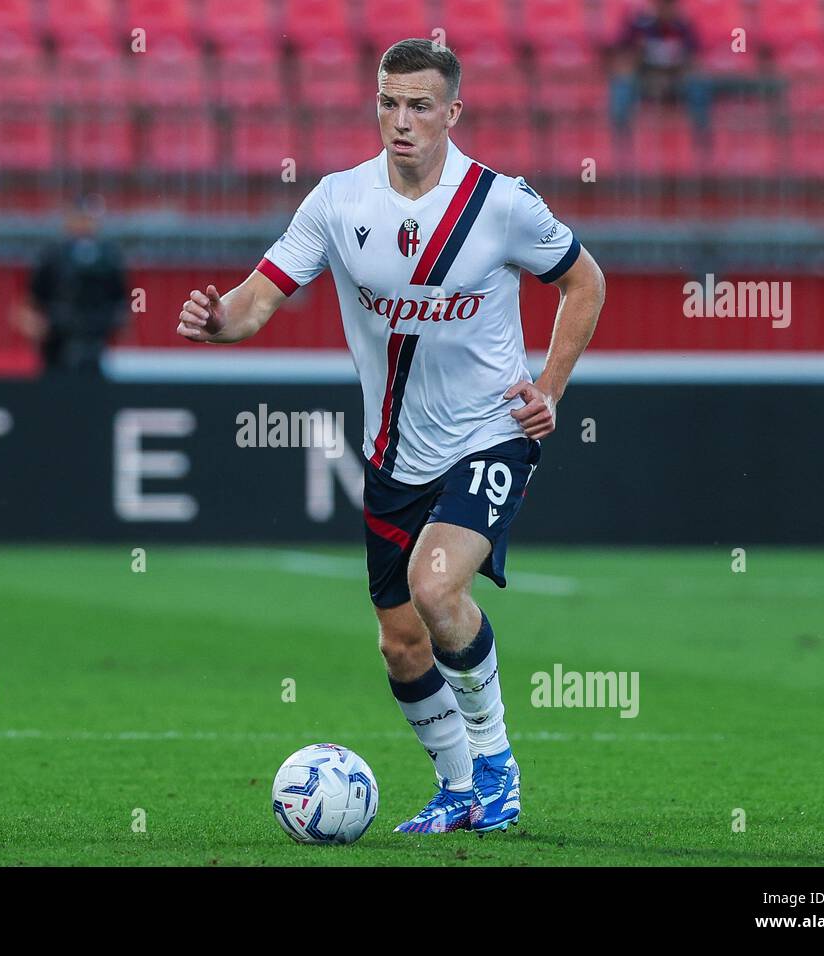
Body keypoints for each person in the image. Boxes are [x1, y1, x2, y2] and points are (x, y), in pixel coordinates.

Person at [177, 39, 605, 833]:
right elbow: (256, 300)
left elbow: (585, 281)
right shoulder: (338, 202)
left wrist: (549, 386)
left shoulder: (500, 203)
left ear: (452, 112)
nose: (400, 121)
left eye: (418, 106)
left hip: (490, 435)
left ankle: (497, 768)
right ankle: (457, 788)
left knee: (437, 588)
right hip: (394, 455)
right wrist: (215, 319)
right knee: (402, 645)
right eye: (387, 102)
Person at [12, 195, 129, 378]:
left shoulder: (109, 258)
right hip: (57, 344)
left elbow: (122, 300)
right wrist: (38, 326)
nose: (84, 224)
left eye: (88, 218)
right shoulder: (52, 256)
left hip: (94, 343)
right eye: (79, 218)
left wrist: (113, 322)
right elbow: (31, 301)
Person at [609, 0, 712, 139]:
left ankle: (702, 137)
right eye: (661, 5)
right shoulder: (638, 25)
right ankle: (620, 137)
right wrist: (636, 56)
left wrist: (682, 63)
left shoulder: (684, 26)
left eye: (669, 5)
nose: (665, 9)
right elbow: (622, 56)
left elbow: (695, 59)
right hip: (645, 78)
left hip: (675, 78)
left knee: (698, 85)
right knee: (622, 84)